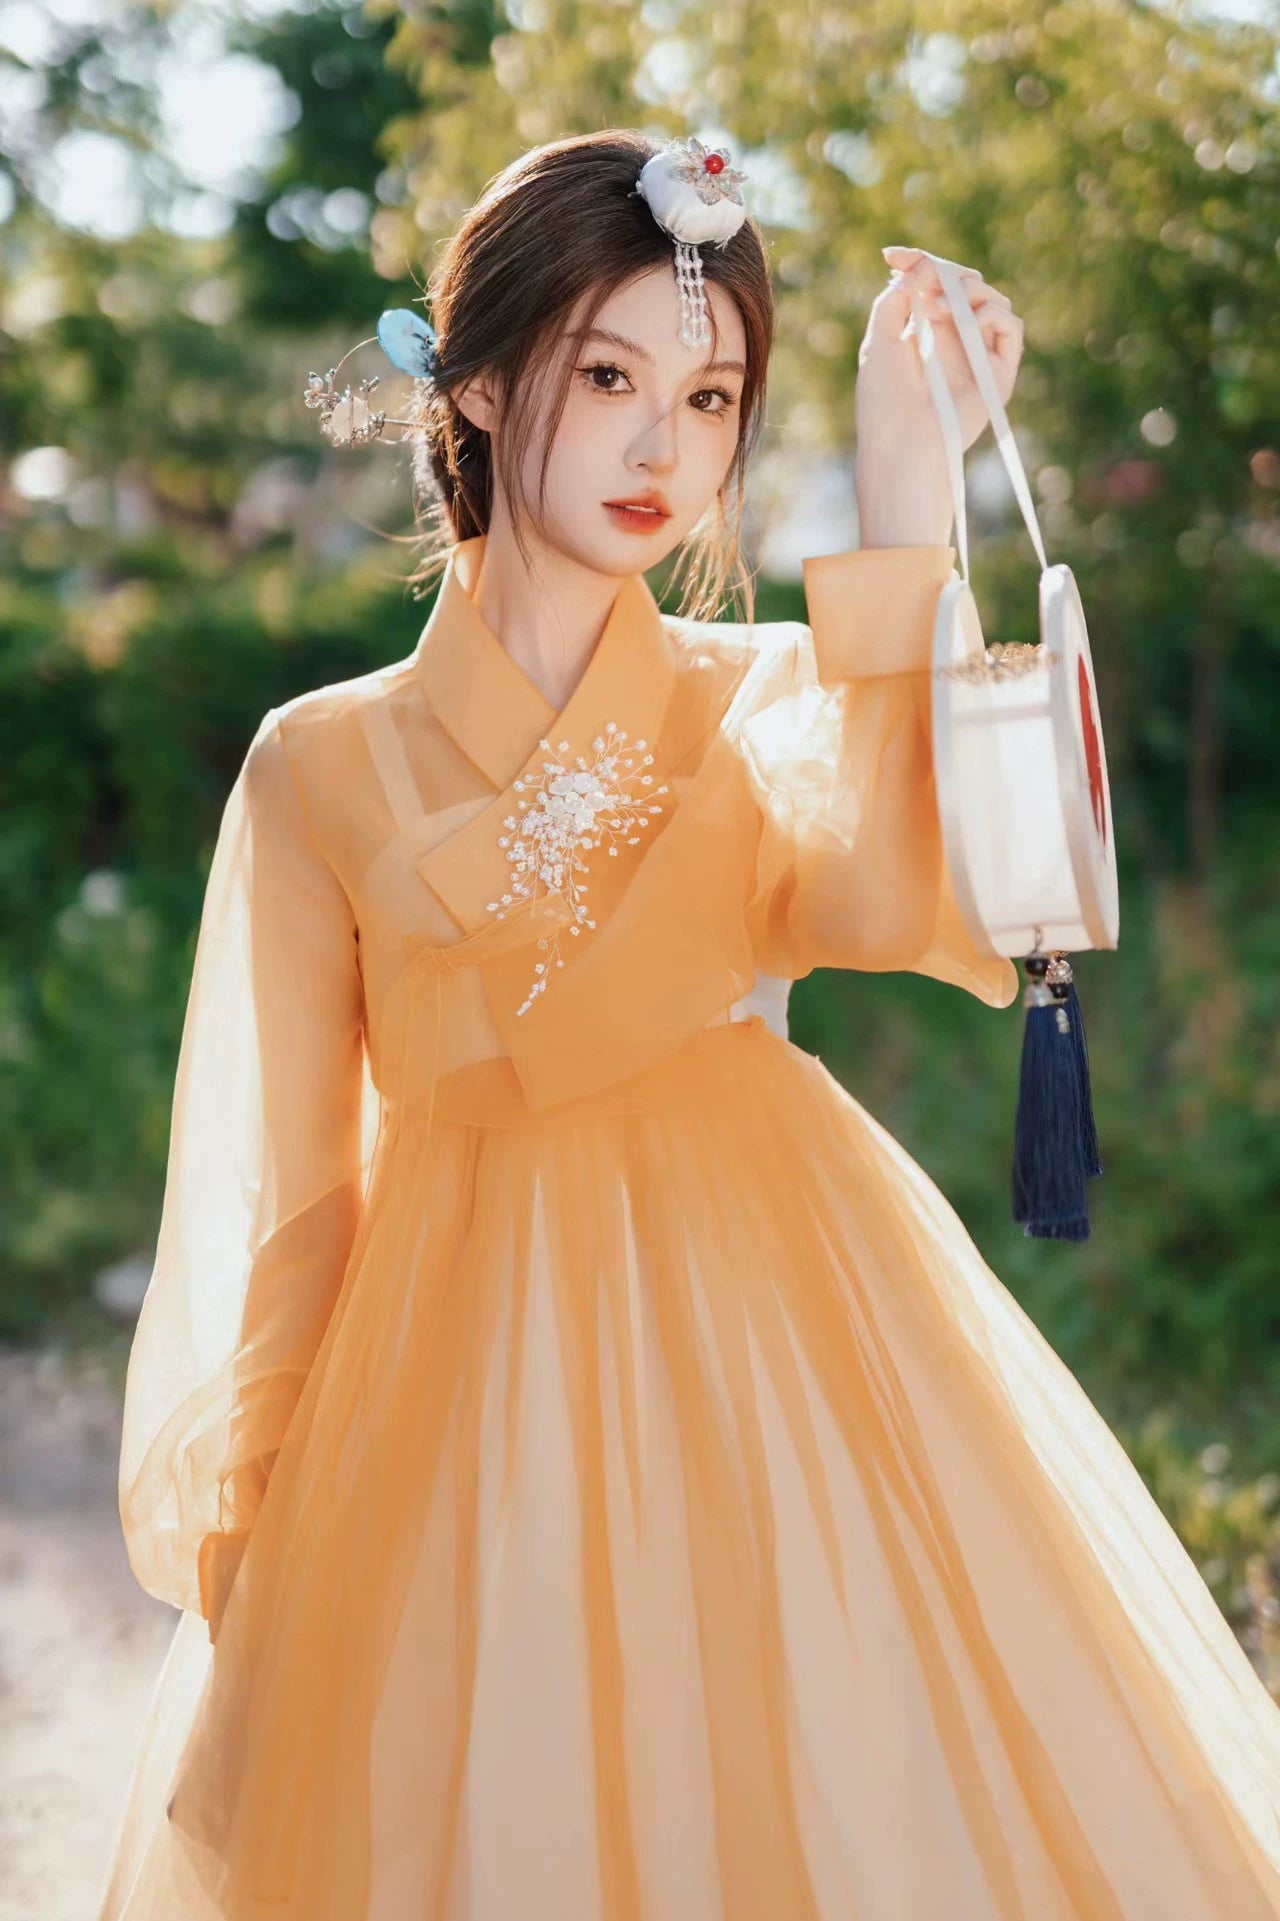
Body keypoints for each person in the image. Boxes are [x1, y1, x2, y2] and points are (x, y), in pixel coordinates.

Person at [96, 129, 1280, 1921]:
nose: (668, 446)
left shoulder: (768, 692)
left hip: (775, 1340)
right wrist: (270, 1537)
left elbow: (891, 902)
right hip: (442, 1383)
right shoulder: (322, 762)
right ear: (482, 385)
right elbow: (292, 1196)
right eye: (610, 376)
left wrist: (905, 470)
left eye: (713, 394)